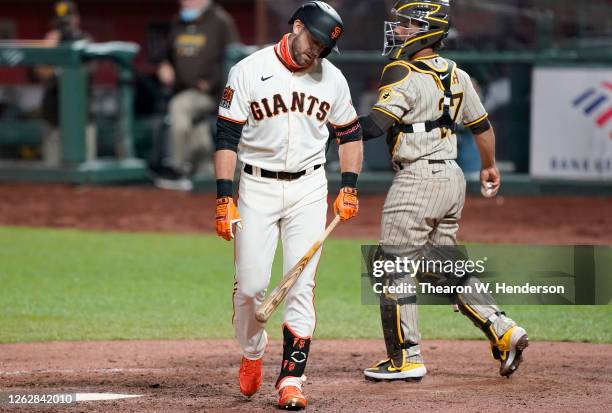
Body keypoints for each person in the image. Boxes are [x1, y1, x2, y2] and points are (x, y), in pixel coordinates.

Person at [358, 0, 528, 382]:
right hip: (452, 179)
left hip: (417, 179)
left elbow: (375, 126)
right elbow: (482, 127)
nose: (398, 31)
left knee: (392, 266)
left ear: (426, 30)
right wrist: (488, 165)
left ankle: (406, 357)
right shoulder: (457, 73)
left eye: (407, 25)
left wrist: (332, 124)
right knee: (440, 268)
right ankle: (502, 327)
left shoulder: (400, 71)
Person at [214, 1, 363, 409]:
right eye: (312, 40)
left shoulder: (332, 80)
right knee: (250, 288)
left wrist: (348, 185)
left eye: (323, 48)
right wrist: (224, 197)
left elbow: (350, 134)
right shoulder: (248, 70)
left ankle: (291, 379)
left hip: (309, 188)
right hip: (256, 187)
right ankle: (252, 350)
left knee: (301, 284)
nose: (315, 51)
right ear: (296, 26)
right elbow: (226, 136)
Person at [154, 0, 239, 191]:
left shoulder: (220, 21)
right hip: (182, 88)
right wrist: (165, 65)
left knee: (180, 107)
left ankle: (177, 168)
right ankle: (203, 167)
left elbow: (234, 58)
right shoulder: (178, 22)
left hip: (212, 93)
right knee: (192, 120)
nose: (184, 2)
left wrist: (213, 82)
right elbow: (166, 54)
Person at [34, 1, 96, 166]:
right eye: (61, 23)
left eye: (68, 21)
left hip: (81, 117)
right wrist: (47, 51)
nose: (64, 27)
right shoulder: (51, 43)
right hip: (53, 116)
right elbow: (38, 74)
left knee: (84, 174)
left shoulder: (86, 41)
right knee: (52, 172)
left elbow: (85, 75)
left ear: (77, 19)